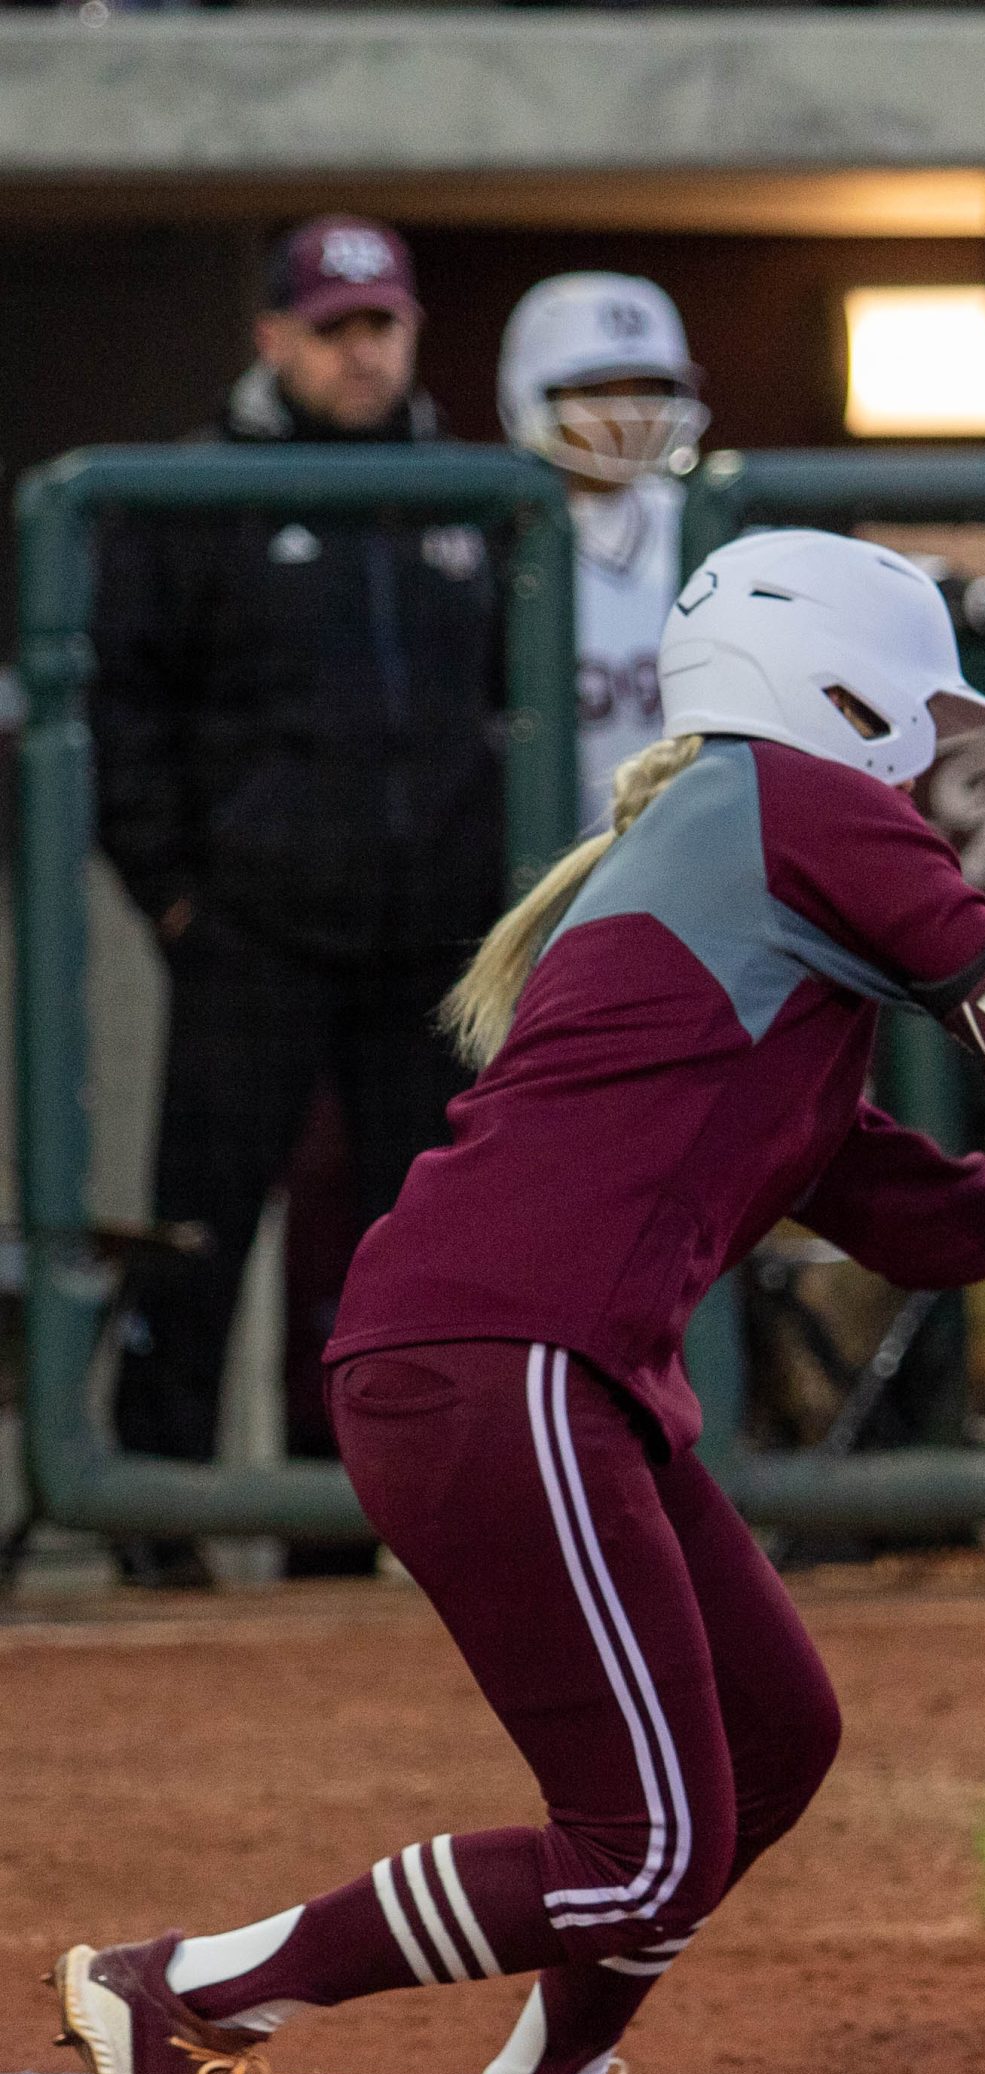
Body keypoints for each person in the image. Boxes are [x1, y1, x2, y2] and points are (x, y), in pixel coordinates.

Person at [53, 529, 985, 2074]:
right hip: (501, 1357)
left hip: (539, 1369)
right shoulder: (794, 808)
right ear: (826, 682)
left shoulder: (733, 860)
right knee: (636, 1846)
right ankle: (193, 1990)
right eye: (911, 705)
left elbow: (900, 1209)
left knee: (774, 1735)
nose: (925, 743)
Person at [91, 216, 506, 1588]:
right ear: (270, 337)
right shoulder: (191, 493)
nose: (359, 352)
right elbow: (121, 709)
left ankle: (356, 1532)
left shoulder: (471, 494)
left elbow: (513, 703)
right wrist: (172, 897)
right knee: (201, 1233)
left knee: (413, 1254)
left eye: (378, 324)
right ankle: (158, 1525)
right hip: (255, 937)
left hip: (423, 946)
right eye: (330, 328)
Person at [498, 272, 709, 833]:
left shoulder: (704, 519)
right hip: (549, 858)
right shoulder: (492, 539)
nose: (628, 414)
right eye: (597, 392)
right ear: (534, 394)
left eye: (648, 389)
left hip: (687, 846)